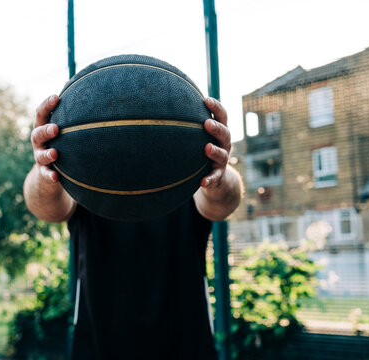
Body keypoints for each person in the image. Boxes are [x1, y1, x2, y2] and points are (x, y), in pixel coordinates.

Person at [24, 94, 243, 360]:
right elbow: (46, 208)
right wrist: (45, 169)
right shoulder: (84, 165)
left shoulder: (186, 162)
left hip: (185, 344)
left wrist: (219, 170)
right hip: (99, 345)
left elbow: (222, 204)